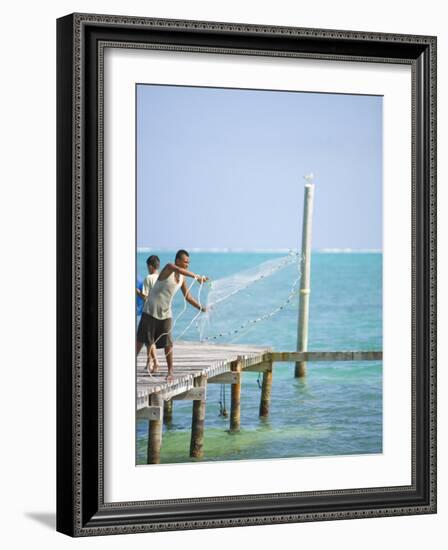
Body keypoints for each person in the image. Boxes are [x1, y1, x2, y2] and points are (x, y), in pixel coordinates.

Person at [138, 249, 208, 381]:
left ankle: (170, 372)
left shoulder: (182, 278)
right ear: (177, 261)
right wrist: (197, 277)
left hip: (166, 313)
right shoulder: (168, 268)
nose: (187, 264)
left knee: (168, 343)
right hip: (150, 311)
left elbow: (187, 296)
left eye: (188, 262)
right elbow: (177, 269)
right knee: (140, 341)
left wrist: (201, 308)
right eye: (185, 262)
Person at [136, 255, 160, 373]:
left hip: (148, 312)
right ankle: (149, 363)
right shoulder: (162, 278)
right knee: (149, 339)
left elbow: (145, 297)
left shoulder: (148, 278)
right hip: (160, 312)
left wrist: (137, 292)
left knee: (148, 339)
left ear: (150, 266)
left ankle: (155, 362)